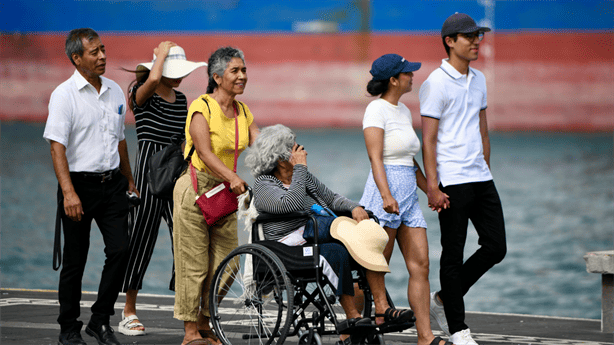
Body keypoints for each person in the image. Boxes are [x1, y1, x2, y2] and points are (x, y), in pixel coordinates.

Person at [245, 124, 415, 344]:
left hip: (314, 233)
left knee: (357, 241)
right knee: (342, 239)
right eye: (295, 147)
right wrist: (300, 169)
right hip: (288, 244)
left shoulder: (302, 176)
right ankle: (354, 316)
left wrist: (354, 207)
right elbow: (293, 203)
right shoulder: (264, 185)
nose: (303, 150)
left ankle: (381, 309)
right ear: (280, 158)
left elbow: (332, 198)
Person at [419, 13, 507, 345]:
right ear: (450, 41)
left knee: (496, 247)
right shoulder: (435, 83)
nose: (476, 42)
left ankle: (443, 300)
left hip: (481, 177)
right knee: (452, 253)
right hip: (452, 179)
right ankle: (457, 328)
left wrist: (485, 162)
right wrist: (432, 185)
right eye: (468, 37)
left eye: (478, 36)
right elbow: (428, 139)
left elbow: (481, 126)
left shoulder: (480, 79)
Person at [44, 28, 135, 345]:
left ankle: (100, 319)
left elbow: (120, 140)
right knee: (75, 261)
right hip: (78, 186)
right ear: (76, 58)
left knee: (121, 250)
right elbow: (57, 148)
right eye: (94, 52)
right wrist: (69, 193)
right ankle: (68, 328)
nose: (102, 56)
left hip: (112, 184)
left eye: (103, 50)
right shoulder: (64, 95)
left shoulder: (114, 91)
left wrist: (130, 180)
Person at [359, 54, 453, 345]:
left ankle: (425, 337)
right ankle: (360, 326)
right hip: (385, 193)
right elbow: (375, 158)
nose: (413, 76)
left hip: (408, 196)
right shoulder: (376, 109)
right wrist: (386, 195)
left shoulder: (402, 110)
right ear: (394, 80)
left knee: (421, 266)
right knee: (375, 265)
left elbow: (410, 162)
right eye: (407, 73)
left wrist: (432, 190)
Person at [118, 42, 207, 336]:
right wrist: (160, 57)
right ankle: (128, 310)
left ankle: (189, 310)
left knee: (184, 239)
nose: (180, 77)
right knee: (140, 239)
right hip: (147, 172)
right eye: (174, 70)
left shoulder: (181, 100)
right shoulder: (140, 94)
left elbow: (183, 140)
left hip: (175, 171)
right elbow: (153, 80)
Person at [172, 46, 260, 345]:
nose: (242, 76)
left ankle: (205, 321)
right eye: (235, 71)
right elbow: (205, 153)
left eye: (244, 70)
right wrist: (233, 176)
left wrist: (288, 157)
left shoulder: (243, 111)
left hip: (225, 194)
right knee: (193, 265)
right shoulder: (202, 107)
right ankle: (190, 332)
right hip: (195, 189)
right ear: (217, 76)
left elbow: (262, 146)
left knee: (230, 262)